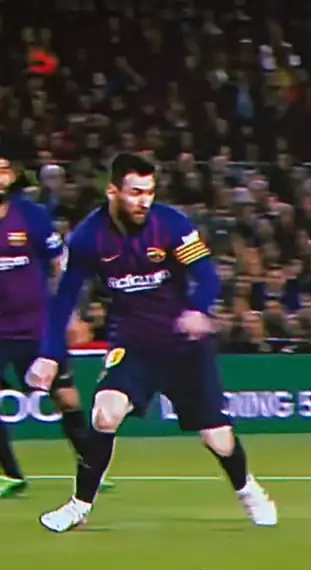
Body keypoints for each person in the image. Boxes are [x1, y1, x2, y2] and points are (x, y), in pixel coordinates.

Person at [27, 152, 278, 532]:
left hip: (183, 344)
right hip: (133, 343)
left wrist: (198, 309)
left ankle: (249, 491)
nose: (144, 200)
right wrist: (49, 354)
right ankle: (79, 506)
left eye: (149, 192)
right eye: (135, 192)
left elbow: (206, 274)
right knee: (104, 413)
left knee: (218, 439)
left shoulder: (171, 224)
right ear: (113, 191)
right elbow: (64, 299)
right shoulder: (88, 238)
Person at [0, 155, 112, 497]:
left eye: (4, 169)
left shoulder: (30, 215)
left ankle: (91, 466)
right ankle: (8, 474)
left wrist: (70, 314)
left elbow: (60, 262)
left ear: (13, 176)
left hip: (37, 325)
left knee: (66, 397)